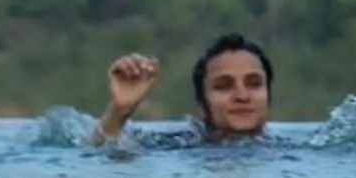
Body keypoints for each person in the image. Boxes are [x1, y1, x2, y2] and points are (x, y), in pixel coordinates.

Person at [90, 31, 275, 144]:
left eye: (254, 84)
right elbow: (99, 153)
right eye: (223, 86)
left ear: (268, 96)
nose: (242, 96)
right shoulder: (177, 146)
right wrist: (120, 111)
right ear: (202, 105)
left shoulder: (295, 150)